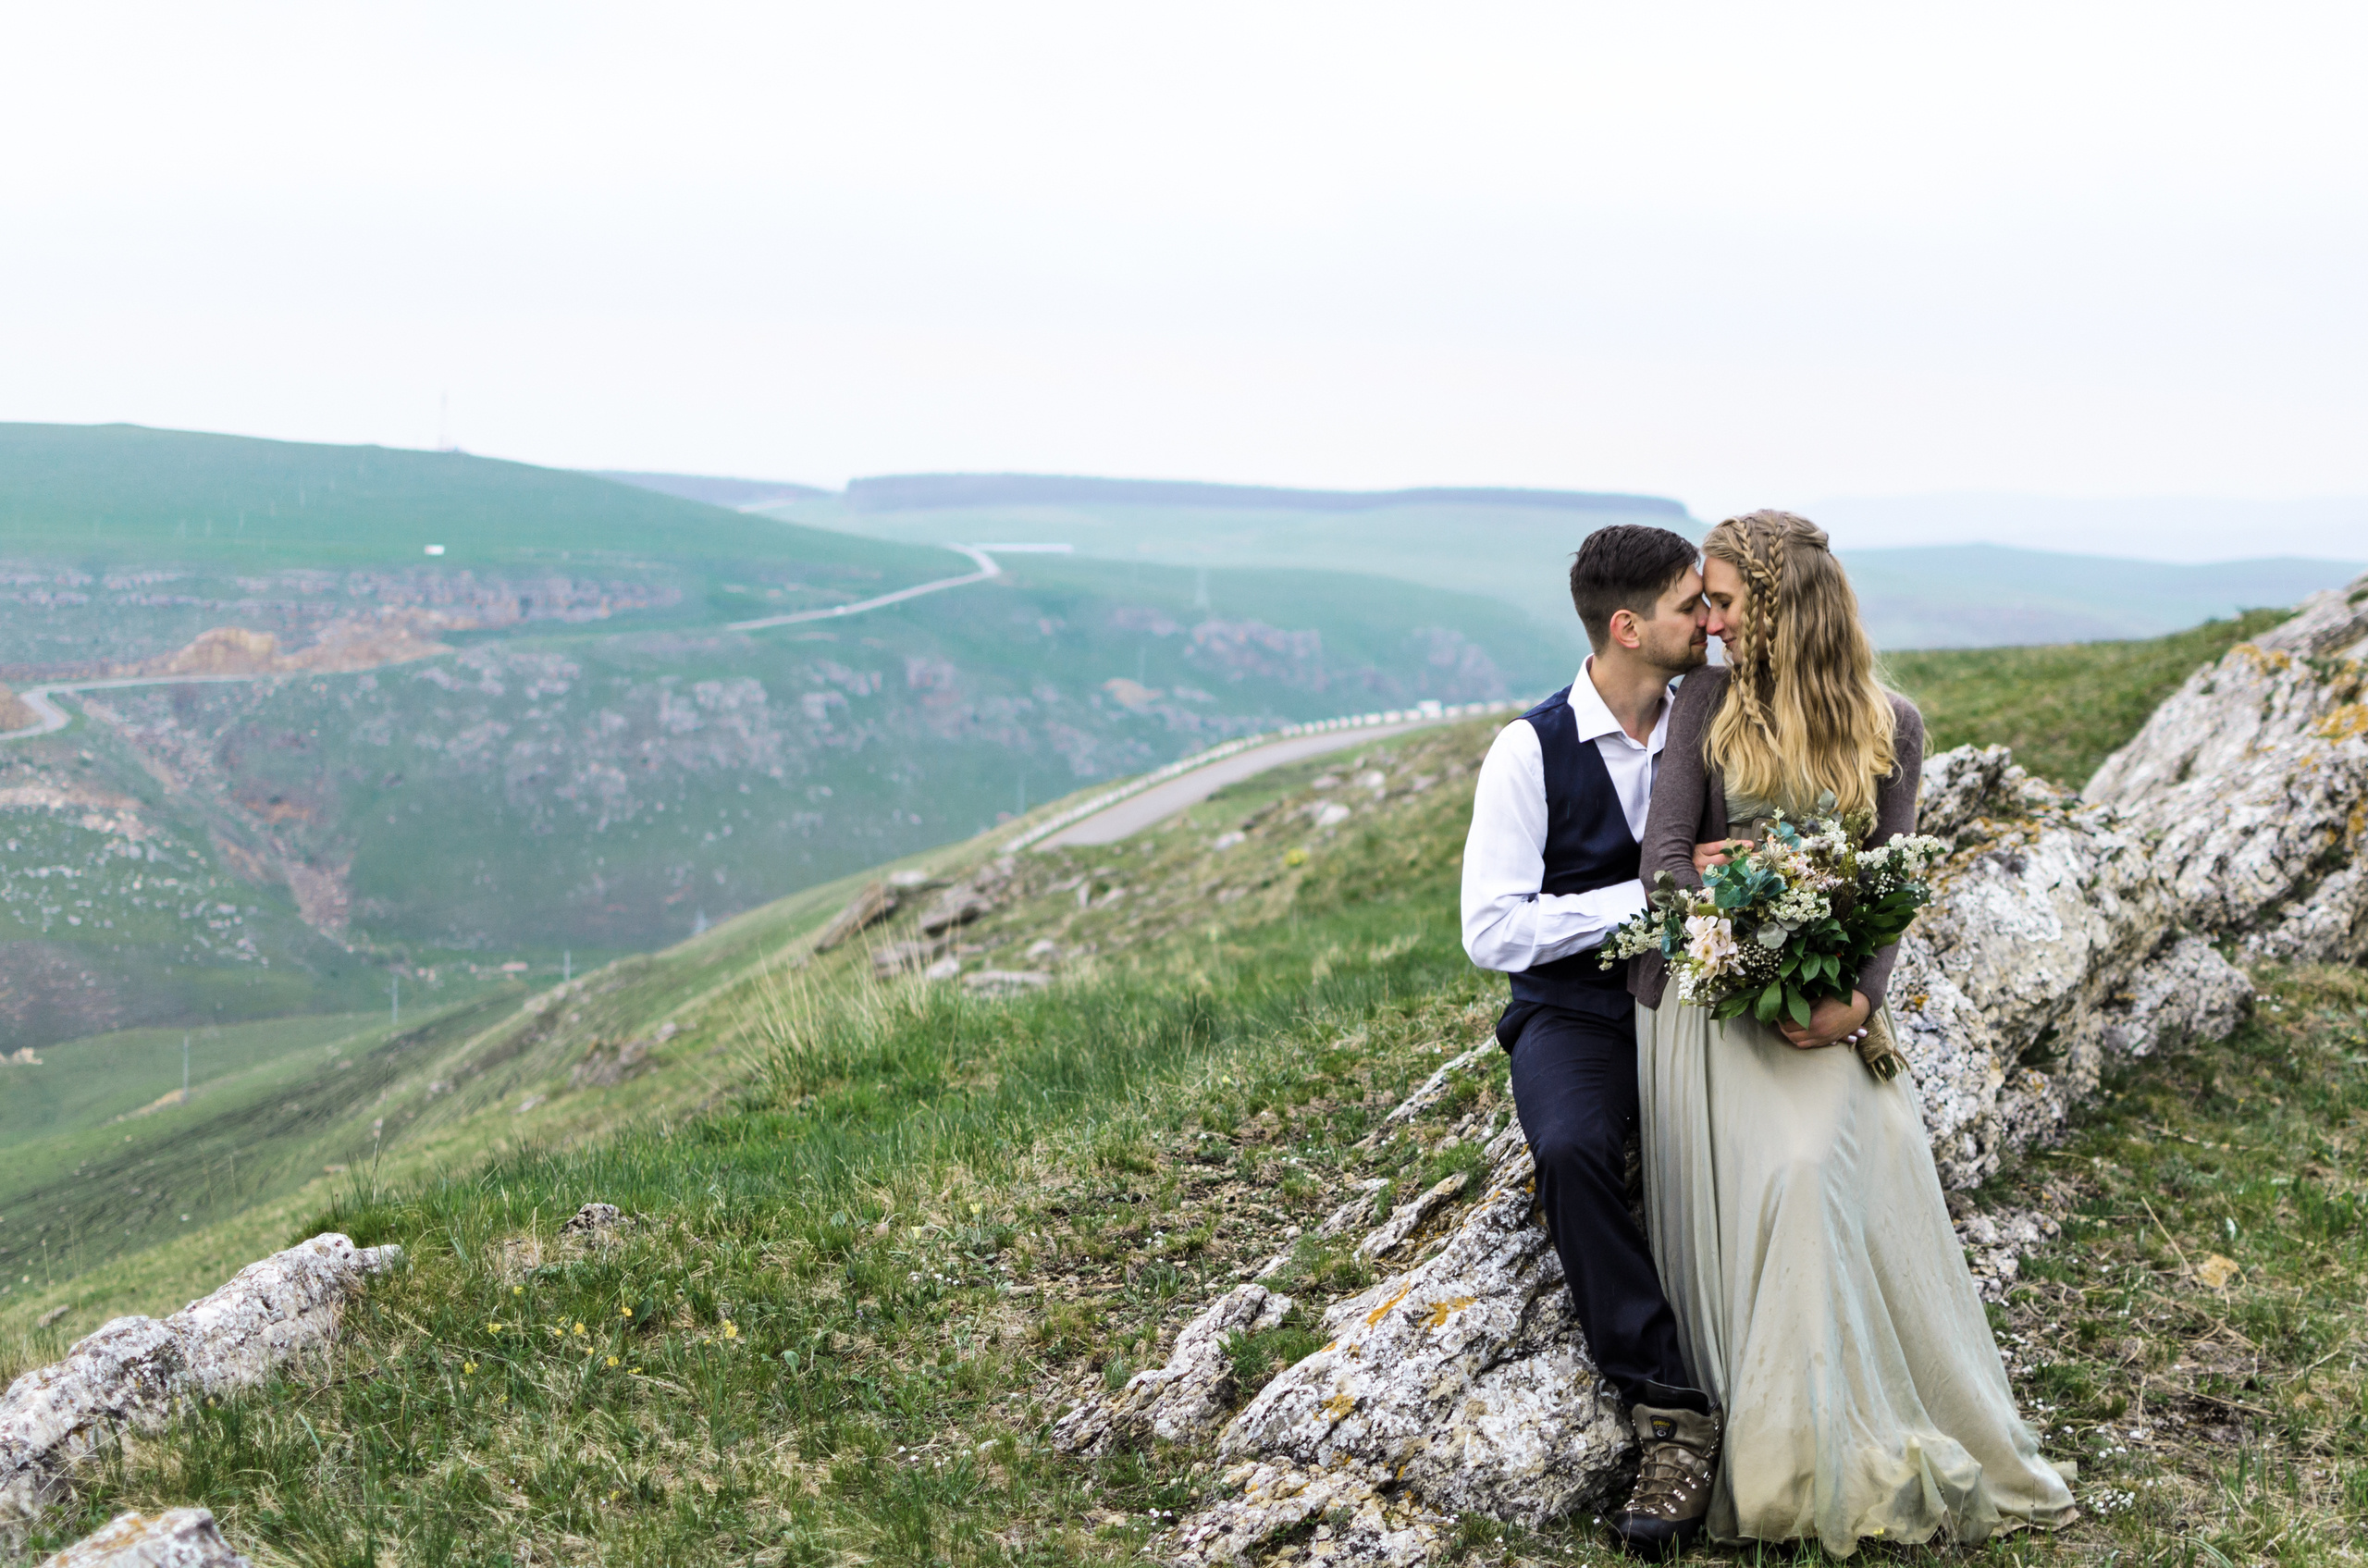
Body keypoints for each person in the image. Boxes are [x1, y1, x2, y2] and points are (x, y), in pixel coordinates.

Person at [1632, 510, 2076, 1555]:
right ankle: (1786, 1462)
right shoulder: (1705, 698)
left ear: (1779, 605)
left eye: (1726, 601)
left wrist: (1858, 1001)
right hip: (1707, 998)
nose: (1710, 621)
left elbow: (1889, 884)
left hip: (1822, 1013)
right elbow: (1662, 857)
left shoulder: (1893, 725)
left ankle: (1860, 1434)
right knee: (1789, 1170)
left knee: (1860, 1150)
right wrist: (1739, 910)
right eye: (1703, 603)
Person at [1460, 524, 1722, 1556]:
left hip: (1705, 994)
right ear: (1627, 627)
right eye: (1689, 607)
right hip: (1574, 1008)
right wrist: (1648, 897)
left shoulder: (1716, 713)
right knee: (1571, 1150)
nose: (1709, 621)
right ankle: (1668, 1408)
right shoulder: (1528, 751)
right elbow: (1491, 928)